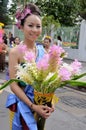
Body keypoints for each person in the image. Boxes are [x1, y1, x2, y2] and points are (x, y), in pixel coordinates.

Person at [6, 3, 54, 130]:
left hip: (40, 105)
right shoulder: (15, 52)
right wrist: (32, 106)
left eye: (38, 26)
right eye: (30, 25)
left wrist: (50, 102)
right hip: (22, 105)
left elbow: (47, 81)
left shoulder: (44, 52)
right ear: (21, 27)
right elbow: (13, 84)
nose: (34, 30)